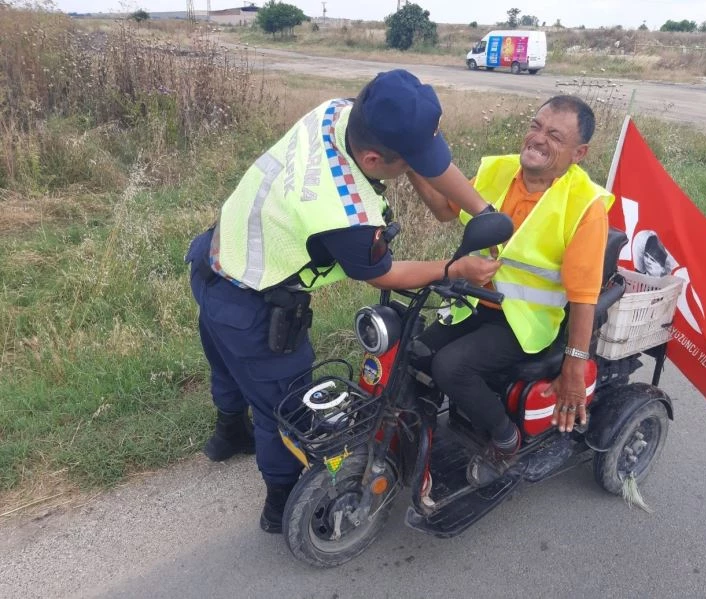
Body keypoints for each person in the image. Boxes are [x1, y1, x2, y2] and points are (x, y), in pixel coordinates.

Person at [184, 69, 501, 534]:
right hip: (254, 304)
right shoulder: (345, 212)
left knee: (226, 363)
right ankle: (281, 504)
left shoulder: (339, 112)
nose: (416, 169)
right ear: (373, 157)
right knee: (285, 411)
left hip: (215, 256)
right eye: (406, 163)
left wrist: (485, 212)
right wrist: (453, 269)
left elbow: (431, 169)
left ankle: (228, 434)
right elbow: (382, 273)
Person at [413, 95, 614, 487]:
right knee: (417, 349)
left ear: (579, 153)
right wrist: (410, 158)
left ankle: (505, 438)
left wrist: (575, 363)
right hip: (475, 302)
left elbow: (584, 295)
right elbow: (443, 209)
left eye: (554, 135)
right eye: (536, 126)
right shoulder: (501, 170)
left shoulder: (584, 205)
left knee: (452, 366)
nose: (537, 139)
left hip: (526, 321)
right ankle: (419, 431)